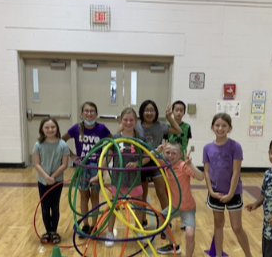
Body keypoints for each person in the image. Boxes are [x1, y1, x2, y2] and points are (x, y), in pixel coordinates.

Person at [203, 112, 254, 257]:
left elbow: (236, 172)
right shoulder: (207, 148)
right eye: (217, 125)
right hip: (215, 193)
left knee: (236, 227)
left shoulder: (235, 147)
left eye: (224, 126)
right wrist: (211, 191)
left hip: (234, 193)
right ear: (212, 127)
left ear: (229, 128)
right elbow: (206, 171)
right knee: (218, 225)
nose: (220, 128)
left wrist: (231, 193)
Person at [90, 107, 149, 247]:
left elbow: (147, 157)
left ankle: (139, 231)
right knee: (114, 207)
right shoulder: (115, 138)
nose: (128, 123)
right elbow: (108, 156)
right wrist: (100, 174)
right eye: (125, 120)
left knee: (138, 206)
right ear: (120, 121)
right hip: (118, 178)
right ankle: (110, 233)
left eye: (131, 120)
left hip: (134, 178)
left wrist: (137, 163)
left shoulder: (140, 138)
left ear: (136, 121)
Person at [155, 141, 204, 257]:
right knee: (161, 218)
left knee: (189, 234)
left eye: (174, 153)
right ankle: (173, 246)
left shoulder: (183, 166)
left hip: (187, 207)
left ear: (180, 155)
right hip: (174, 206)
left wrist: (190, 164)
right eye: (167, 153)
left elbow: (201, 177)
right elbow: (147, 158)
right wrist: (157, 150)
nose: (170, 156)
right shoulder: (164, 164)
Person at [62, 102, 111, 237]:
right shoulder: (76, 128)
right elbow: (61, 141)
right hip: (82, 167)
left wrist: (105, 161)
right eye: (86, 111)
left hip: (96, 167)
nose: (89, 114)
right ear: (82, 113)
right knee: (84, 196)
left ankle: (95, 226)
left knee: (95, 196)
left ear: (96, 113)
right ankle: (85, 225)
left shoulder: (102, 129)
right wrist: (72, 156)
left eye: (92, 111)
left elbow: (113, 144)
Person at [135, 100, 182, 229]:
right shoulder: (136, 125)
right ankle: (143, 220)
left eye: (152, 110)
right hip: (142, 162)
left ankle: (166, 220)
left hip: (157, 162)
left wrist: (169, 117)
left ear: (156, 112)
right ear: (142, 112)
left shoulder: (160, 125)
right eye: (146, 110)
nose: (149, 113)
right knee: (142, 194)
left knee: (161, 192)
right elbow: (121, 130)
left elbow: (178, 130)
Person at [33, 117, 70, 244]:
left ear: (57, 129)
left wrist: (53, 177)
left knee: (55, 206)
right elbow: (37, 164)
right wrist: (46, 177)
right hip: (42, 181)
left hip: (57, 181)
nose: (50, 130)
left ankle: (54, 231)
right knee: (44, 207)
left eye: (53, 127)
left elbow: (64, 164)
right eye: (47, 127)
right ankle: (47, 231)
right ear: (42, 130)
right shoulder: (38, 145)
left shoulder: (63, 145)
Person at [165, 100, 193, 231]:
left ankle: (184, 219)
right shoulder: (168, 126)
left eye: (181, 110)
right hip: (170, 162)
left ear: (184, 112)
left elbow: (186, 143)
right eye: (176, 110)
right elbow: (165, 143)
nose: (178, 112)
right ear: (173, 111)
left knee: (184, 188)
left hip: (181, 163)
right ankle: (169, 215)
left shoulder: (187, 127)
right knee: (171, 189)